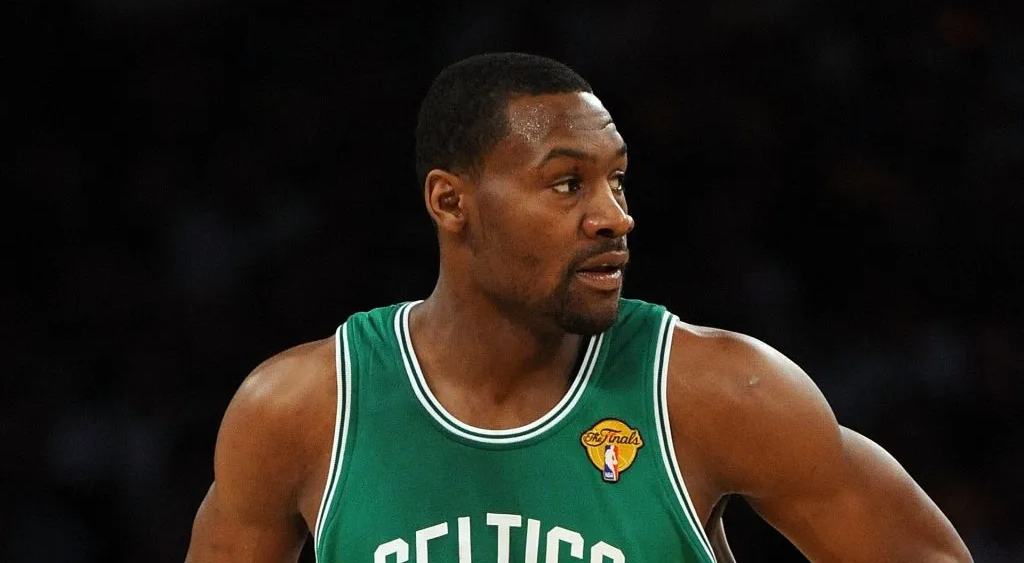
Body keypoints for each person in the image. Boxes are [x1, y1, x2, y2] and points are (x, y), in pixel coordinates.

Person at [184, 52, 973, 562]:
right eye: (568, 184)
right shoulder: (303, 410)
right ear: (451, 202)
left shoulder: (717, 392)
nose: (615, 215)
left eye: (618, 180)